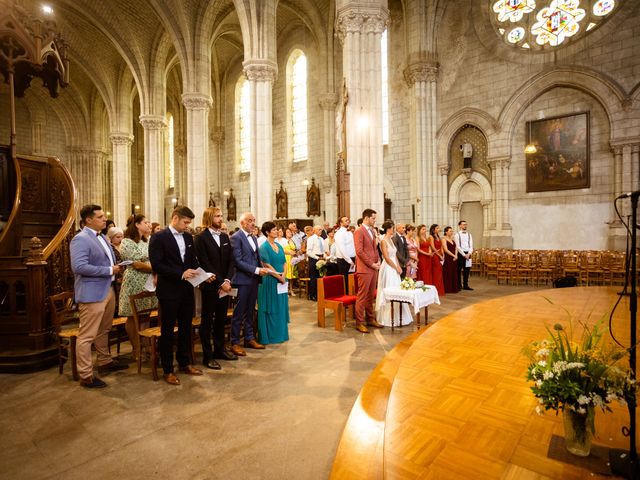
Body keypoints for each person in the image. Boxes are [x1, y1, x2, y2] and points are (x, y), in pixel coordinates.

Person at [70, 204, 127, 388]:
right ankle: (86, 375)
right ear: (88, 220)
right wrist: (109, 269)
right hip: (92, 292)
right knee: (86, 336)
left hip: (108, 289)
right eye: (101, 217)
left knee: (104, 329)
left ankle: (104, 362)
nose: (105, 219)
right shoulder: (80, 239)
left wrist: (116, 267)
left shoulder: (102, 236)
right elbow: (79, 267)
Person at [149, 206, 203, 385]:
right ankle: (167, 369)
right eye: (185, 222)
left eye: (189, 223)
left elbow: (192, 261)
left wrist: (201, 273)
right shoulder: (159, 237)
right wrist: (181, 273)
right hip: (169, 289)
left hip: (187, 289)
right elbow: (157, 264)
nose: (188, 226)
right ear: (175, 218)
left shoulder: (188, 237)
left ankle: (184, 362)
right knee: (168, 330)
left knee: (186, 328)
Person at [194, 207, 236, 370]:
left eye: (221, 215)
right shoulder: (201, 238)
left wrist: (227, 279)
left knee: (221, 319)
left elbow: (230, 260)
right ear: (209, 218)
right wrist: (220, 282)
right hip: (210, 285)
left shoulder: (225, 236)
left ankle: (220, 350)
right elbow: (204, 262)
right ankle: (208, 356)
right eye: (217, 216)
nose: (221, 218)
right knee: (207, 321)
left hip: (224, 285)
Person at [229, 212, 269, 357]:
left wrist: (261, 269)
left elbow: (255, 257)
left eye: (254, 220)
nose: (253, 223)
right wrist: (257, 270)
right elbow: (238, 261)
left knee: (251, 310)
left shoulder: (253, 237)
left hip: (253, 279)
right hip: (241, 279)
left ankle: (249, 338)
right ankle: (234, 342)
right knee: (239, 312)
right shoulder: (236, 238)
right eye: (250, 221)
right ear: (242, 223)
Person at [118, 214, 156, 361]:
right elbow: (136, 264)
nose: (149, 225)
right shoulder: (127, 242)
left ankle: (146, 346)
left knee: (145, 315)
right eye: (146, 222)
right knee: (133, 317)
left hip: (148, 282)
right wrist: (155, 269)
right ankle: (136, 349)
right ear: (137, 225)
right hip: (134, 281)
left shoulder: (147, 241)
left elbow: (152, 258)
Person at [257, 221, 290, 344]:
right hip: (270, 280)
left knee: (281, 307)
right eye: (274, 230)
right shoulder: (263, 247)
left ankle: (281, 333)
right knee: (272, 307)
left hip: (281, 280)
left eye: (277, 229)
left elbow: (284, 262)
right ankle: (271, 335)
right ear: (267, 232)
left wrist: (284, 276)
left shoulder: (279, 246)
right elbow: (266, 264)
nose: (277, 231)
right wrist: (278, 276)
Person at [375, 221, 412, 327]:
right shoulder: (383, 241)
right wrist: (395, 267)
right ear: (388, 229)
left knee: (397, 290)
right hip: (388, 268)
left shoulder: (391, 240)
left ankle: (399, 315)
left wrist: (399, 266)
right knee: (389, 289)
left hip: (395, 266)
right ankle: (388, 317)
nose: (394, 230)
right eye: (392, 228)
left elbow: (394, 254)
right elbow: (386, 258)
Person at [353, 209, 383, 333]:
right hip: (365, 269)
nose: (374, 220)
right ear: (366, 218)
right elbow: (359, 251)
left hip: (373, 267)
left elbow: (374, 248)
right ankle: (359, 322)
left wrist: (378, 260)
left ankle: (370, 319)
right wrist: (371, 264)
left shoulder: (371, 231)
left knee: (370, 296)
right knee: (362, 296)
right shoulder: (359, 231)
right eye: (373, 218)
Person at [334, 216, 356, 291]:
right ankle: (345, 296)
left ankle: (351, 295)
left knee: (351, 279)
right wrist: (349, 261)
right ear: (341, 223)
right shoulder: (339, 233)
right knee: (345, 280)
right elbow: (342, 249)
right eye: (346, 220)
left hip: (352, 258)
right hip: (344, 260)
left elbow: (353, 245)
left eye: (348, 220)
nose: (348, 221)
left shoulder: (349, 232)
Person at [306, 225, 325, 301]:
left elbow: (323, 249)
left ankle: (319, 294)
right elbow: (309, 251)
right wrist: (317, 258)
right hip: (314, 258)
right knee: (314, 277)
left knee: (320, 277)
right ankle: (313, 295)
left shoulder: (321, 239)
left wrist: (324, 257)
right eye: (319, 229)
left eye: (321, 229)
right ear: (314, 230)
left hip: (321, 257)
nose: (321, 231)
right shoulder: (311, 239)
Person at [454, 220, 474, 291]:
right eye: (463, 224)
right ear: (459, 226)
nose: (465, 226)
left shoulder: (469, 234)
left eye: (465, 224)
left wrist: (469, 253)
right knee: (459, 270)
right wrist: (464, 255)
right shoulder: (457, 235)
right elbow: (458, 246)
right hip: (460, 254)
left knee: (467, 270)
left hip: (468, 254)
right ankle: (459, 285)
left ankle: (466, 285)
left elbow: (471, 245)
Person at [428, 224, 445, 296]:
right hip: (435, 255)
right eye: (437, 228)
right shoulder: (431, 237)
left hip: (440, 254)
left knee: (440, 272)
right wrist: (439, 255)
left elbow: (441, 246)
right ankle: (436, 291)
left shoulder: (438, 237)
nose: (439, 229)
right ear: (433, 229)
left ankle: (440, 290)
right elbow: (432, 247)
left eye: (438, 228)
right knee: (436, 272)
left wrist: (443, 254)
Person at [442, 226, 460, 294]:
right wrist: (453, 255)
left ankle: (454, 288)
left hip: (454, 258)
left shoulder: (452, 239)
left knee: (453, 272)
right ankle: (448, 288)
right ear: (446, 232)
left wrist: (456, 255)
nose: (451, 232)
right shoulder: (443, 239)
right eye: (450, 231)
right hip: (448, 258)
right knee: (448, 272)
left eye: (452, 231)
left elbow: (456, 248)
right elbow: (446, 250)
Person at [282, 228, 298, 296]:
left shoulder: (292, 241)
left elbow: (295, 249)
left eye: (290, 232)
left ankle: (291, 290)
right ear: (285, 233)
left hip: (292, 259)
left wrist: (295, 253)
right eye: (287, 232)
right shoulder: (284, 241)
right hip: (286, 258)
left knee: (291, 276)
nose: (289, 233)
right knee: (286, 275)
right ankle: (285, 290)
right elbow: (282, 250)